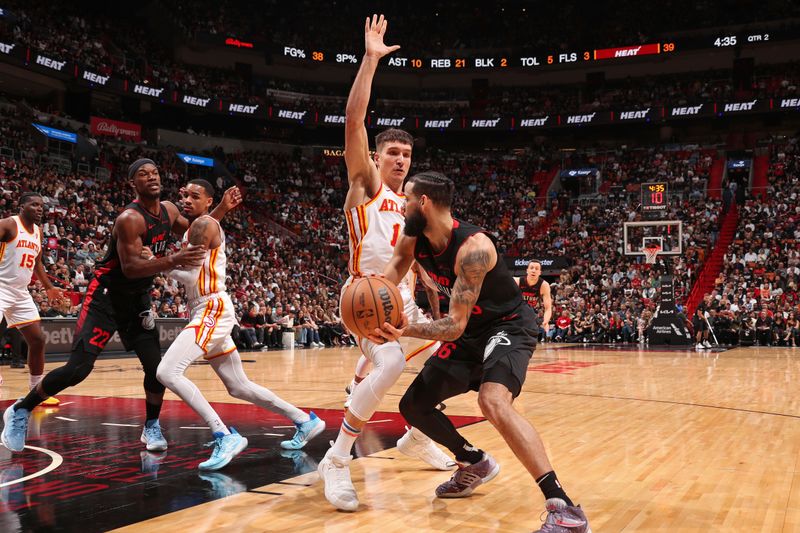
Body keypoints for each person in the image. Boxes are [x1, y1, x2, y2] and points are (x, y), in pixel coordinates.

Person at [373, 171, 590, 532]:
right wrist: (370, 304)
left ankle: (564, 509)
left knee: (492, 401)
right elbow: (392, 272)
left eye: (407, 198)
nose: (402, 204)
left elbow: (453, 326)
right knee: (413, 405)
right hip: (470, 332)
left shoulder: (474, 248)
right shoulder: (413, 236)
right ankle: (473, 462)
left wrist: (405, 328)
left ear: (423, 202)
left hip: (507, 326)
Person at [1, 159, 240, 454]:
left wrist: (221, 210)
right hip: (107, 298)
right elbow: (130, 268)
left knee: (157, 369)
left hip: (138, 300)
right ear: (132, 184)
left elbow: (196, 232)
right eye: (143, 174)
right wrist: (171, 261)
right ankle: (21, 410)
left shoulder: (171, 210)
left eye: (155, 172)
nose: (151, 177)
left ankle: (151, 425)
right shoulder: (129, 218)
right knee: (78, 369)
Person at [318, 14, 450, 513]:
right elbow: (353, 120)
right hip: (366, 300)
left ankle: (415, 433)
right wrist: (370, 60)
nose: (399, 161)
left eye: (406, 155)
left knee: (459, 350)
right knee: (392, 361)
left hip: (404, 301)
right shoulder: (367, 186)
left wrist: (426, 285)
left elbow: (406, 254)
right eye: (391, 152)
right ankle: (336, 458)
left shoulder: (412, 205)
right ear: (375, 157)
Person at [155, 180, 324, 470]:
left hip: (211, 306)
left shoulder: (203, 225)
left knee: (168, 371)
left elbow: (190, 277)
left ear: (207, 201)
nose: (186, 200)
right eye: (184, 195)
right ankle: (304, 421)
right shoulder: (201, 225)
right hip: (209, 307)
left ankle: (223, 434)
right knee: (238, 386)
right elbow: (207, 226)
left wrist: (158, 264)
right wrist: (220, 207)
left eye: (195, 196)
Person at [0, 192, 67, 405]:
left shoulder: (37, 232)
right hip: (1, 286)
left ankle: (35, 390)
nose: (40, 209)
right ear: (21, 206)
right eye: (34, 204)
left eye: (41, 206)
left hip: (20, 292)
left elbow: (37, 265)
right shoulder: (10, 224)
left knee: (37, 340)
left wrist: (49, 288)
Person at [515, 260, 552, 342]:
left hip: (529, 313)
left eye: (536, 268)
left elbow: (548, 308)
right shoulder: (517, 281)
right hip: (515, 311)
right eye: (531, 268)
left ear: (540, 272)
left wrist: (546, 321)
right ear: (527, 270)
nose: (533, 270)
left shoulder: (544, 285)